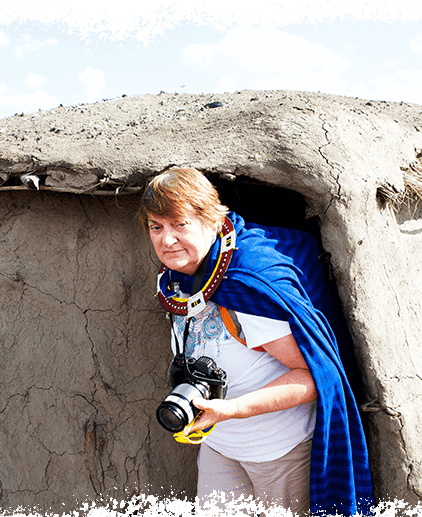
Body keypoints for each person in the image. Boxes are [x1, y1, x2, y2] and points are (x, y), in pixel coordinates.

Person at [139, 167, 374, 516]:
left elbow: (312, 377)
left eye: (179, 224)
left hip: (277, 450)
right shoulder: (176, 280)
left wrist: (230, 410)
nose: (166, 239)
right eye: (156, 227)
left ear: (211, 219)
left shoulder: (245, 285)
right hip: (219, 443)